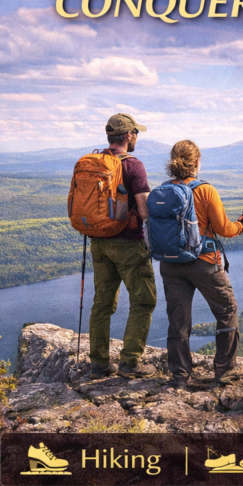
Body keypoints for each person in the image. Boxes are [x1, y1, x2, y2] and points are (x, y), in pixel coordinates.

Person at [159, 140, 243, 390]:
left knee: (178, 319)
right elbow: (223, 229)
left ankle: (179, 376)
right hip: (204, 262)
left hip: (170, 263)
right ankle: (224, 370)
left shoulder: (163, 190)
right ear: (197, 161)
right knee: (227, 310)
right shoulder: (205, 190)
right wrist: (241, 225)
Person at [88, 113, 157, 379]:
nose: (137, 137)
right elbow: (144, 209)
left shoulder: (94, 162)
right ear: (128, 135)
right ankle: (130, 362)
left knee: (102, 303)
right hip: (128, 244)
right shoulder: (133, 166)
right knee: (143, 301)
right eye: (136, 133)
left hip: (98, 243)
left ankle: (99, 363)